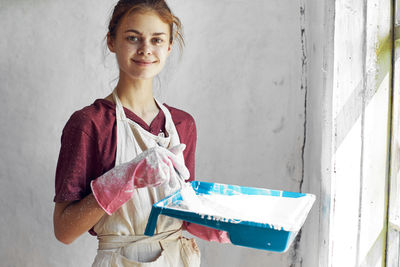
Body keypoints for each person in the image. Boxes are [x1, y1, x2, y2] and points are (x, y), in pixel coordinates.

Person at [52, 0, 230, 266]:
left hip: (178, 259)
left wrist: (224, 227)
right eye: (133, 37)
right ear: (112, 41)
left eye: (157, 40)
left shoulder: (183, 125)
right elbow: (64, 231)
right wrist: (124, 179)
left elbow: (179, 214)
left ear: (169, 46)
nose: (146, 49)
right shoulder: (90, 124)